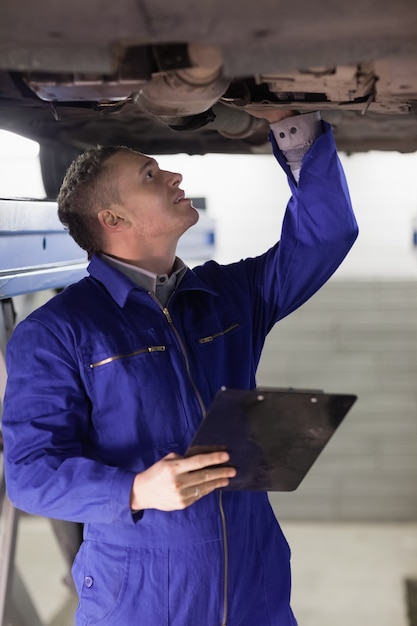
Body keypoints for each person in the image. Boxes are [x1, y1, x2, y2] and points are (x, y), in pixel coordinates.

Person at [2, 107, 358, 626]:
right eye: (150, 174)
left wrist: (295, 127)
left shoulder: (226, 296)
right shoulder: (58, 331)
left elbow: (324, 238)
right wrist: (136, 489)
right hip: (142, 595)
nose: (174, 176)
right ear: (114, 219)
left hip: (253, 583)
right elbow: (30, 475)